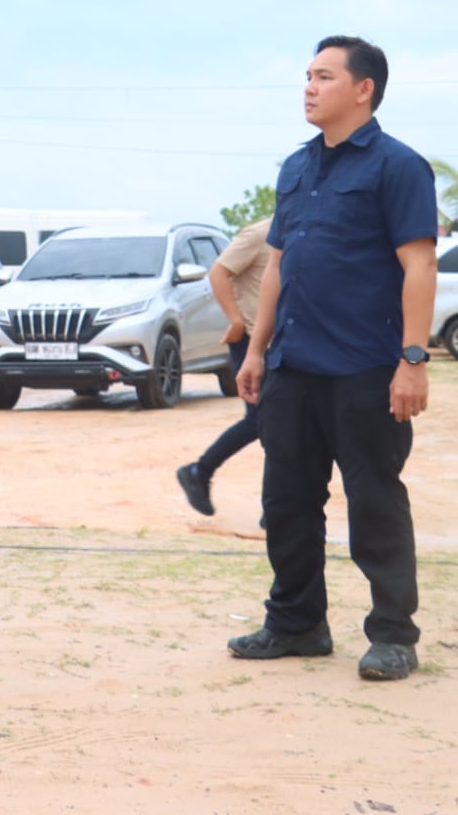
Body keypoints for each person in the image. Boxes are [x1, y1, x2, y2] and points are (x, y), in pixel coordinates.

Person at [229, 36, 437, 683]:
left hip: (364, 367)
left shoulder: (396, 167)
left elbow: (418, 263)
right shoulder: (294, 169)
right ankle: (296, 624)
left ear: (362, 88)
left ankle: (393, 636)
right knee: (286, 500)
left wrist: (411, 359)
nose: (308, 87)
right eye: (306, 76)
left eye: (323, 76)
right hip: (293, 365)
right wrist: (256, 350)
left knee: (373, 499)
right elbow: (279, 265)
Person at [176, 217, 271, 517]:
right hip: (250, 340)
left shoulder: (302, 234)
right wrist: (236, 319)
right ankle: (199, 471)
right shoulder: (259, 234)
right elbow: (218, 272)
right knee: (264, 422)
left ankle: (275, 509)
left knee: (279, 426)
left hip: (279, 343)